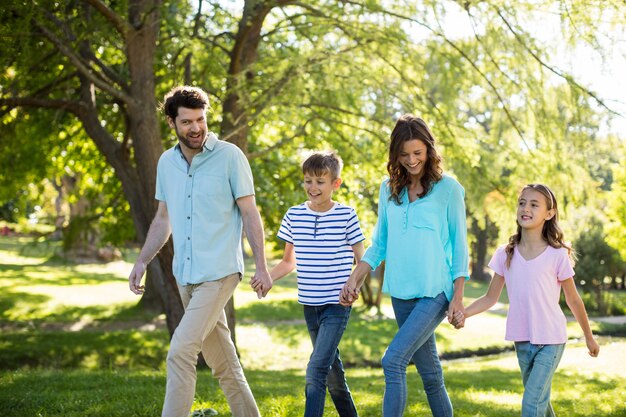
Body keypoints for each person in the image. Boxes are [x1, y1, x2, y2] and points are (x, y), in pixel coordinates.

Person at [128, 86, 272, 417]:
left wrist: (262, 266)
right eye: (187, 122)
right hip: (186, 276)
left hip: (220, 272)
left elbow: (250, 213)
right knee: (224, 364)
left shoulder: (230, 156)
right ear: (172, 123)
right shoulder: (167, 163)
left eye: (201, 119)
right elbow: (163, 219)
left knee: (180, 351)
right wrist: (142, 261)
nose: (196, 128)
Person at [340, 114, 469, 417]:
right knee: (432, 376)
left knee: (393, 359)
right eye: (404, 154)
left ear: (429, 150)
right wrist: (354, 279)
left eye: (418, 153)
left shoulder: (449, 189)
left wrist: (458, 297)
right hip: (400, 292)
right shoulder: (389, 189)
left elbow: (460, 246)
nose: (411, 160)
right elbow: (379, 243)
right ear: (395, 154)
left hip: (434, 291)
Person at [451, 183, 600, 417]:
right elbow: (491, 297)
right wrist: (464, 313)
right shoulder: (505, 253)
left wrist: (589, 338)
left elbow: (573, 299)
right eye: (522, 203)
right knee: (540, 401)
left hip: (551, 340)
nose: (525, 208)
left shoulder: (557, 254)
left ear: (549, 214)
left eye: (533, 204)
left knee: (531, 404)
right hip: (522, 339)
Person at [256, 151, 365, 417]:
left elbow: (362, 259)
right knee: (334, 377)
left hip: (336, 305)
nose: (312, 187)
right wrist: (267, 278)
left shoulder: (346, 215)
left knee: (315, 370)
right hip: (310, 306)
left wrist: (355, 286)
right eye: (308, 181)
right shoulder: (294, 215)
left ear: (335, 184)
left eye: (319, 181)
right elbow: (287, 262)